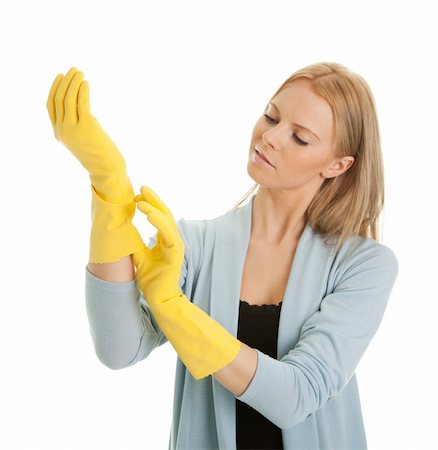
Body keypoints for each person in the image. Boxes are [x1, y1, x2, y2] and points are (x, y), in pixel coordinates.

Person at [47, 63, 399, 450]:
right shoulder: (193, 244)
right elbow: (117, 349)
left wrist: (174, 307)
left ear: (338, 165)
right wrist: (108, 186)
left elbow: (297, 396)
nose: (270, 137)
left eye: (300, 137)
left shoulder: (363, 266)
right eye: (271, 116)